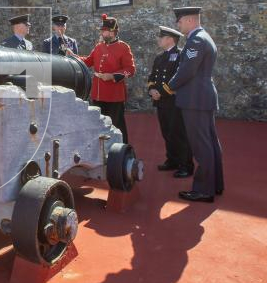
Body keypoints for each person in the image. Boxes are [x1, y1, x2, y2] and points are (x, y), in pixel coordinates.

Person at [165, 7, 224, 203]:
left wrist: (169, 87)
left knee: (201, 146)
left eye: (180, 21)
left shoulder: (196, 40)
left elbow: (187, 70)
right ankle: (215, 184)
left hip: (195, 99)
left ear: (190, 20)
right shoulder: (204, 37)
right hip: (201, 97)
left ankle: (204, 190)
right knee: (210, 143)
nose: (178, 25)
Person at [77, 14, 136, 144]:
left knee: (116, 126)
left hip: (114, 95)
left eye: (104, 30)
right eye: (102, 30)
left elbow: (130, 69)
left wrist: (112, 76)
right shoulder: (99, 46)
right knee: (100, 126)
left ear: (112, 32)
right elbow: (87, 61)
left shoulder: (123, 47)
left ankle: (122, 152)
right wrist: (73, 56)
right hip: (98, 94)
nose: (102, 33)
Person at [148, 26, 194, 178]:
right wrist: (152, 90)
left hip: (174, 102)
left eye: (161, 37)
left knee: (178, 133)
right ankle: (172, 160)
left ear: (169, 39)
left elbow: (179, 79)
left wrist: (160, 92)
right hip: (161, 102)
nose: (158, 40)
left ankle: (186, 165)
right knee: (167, 132)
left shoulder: (180, 56)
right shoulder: (159, 57)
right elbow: (152, 77)